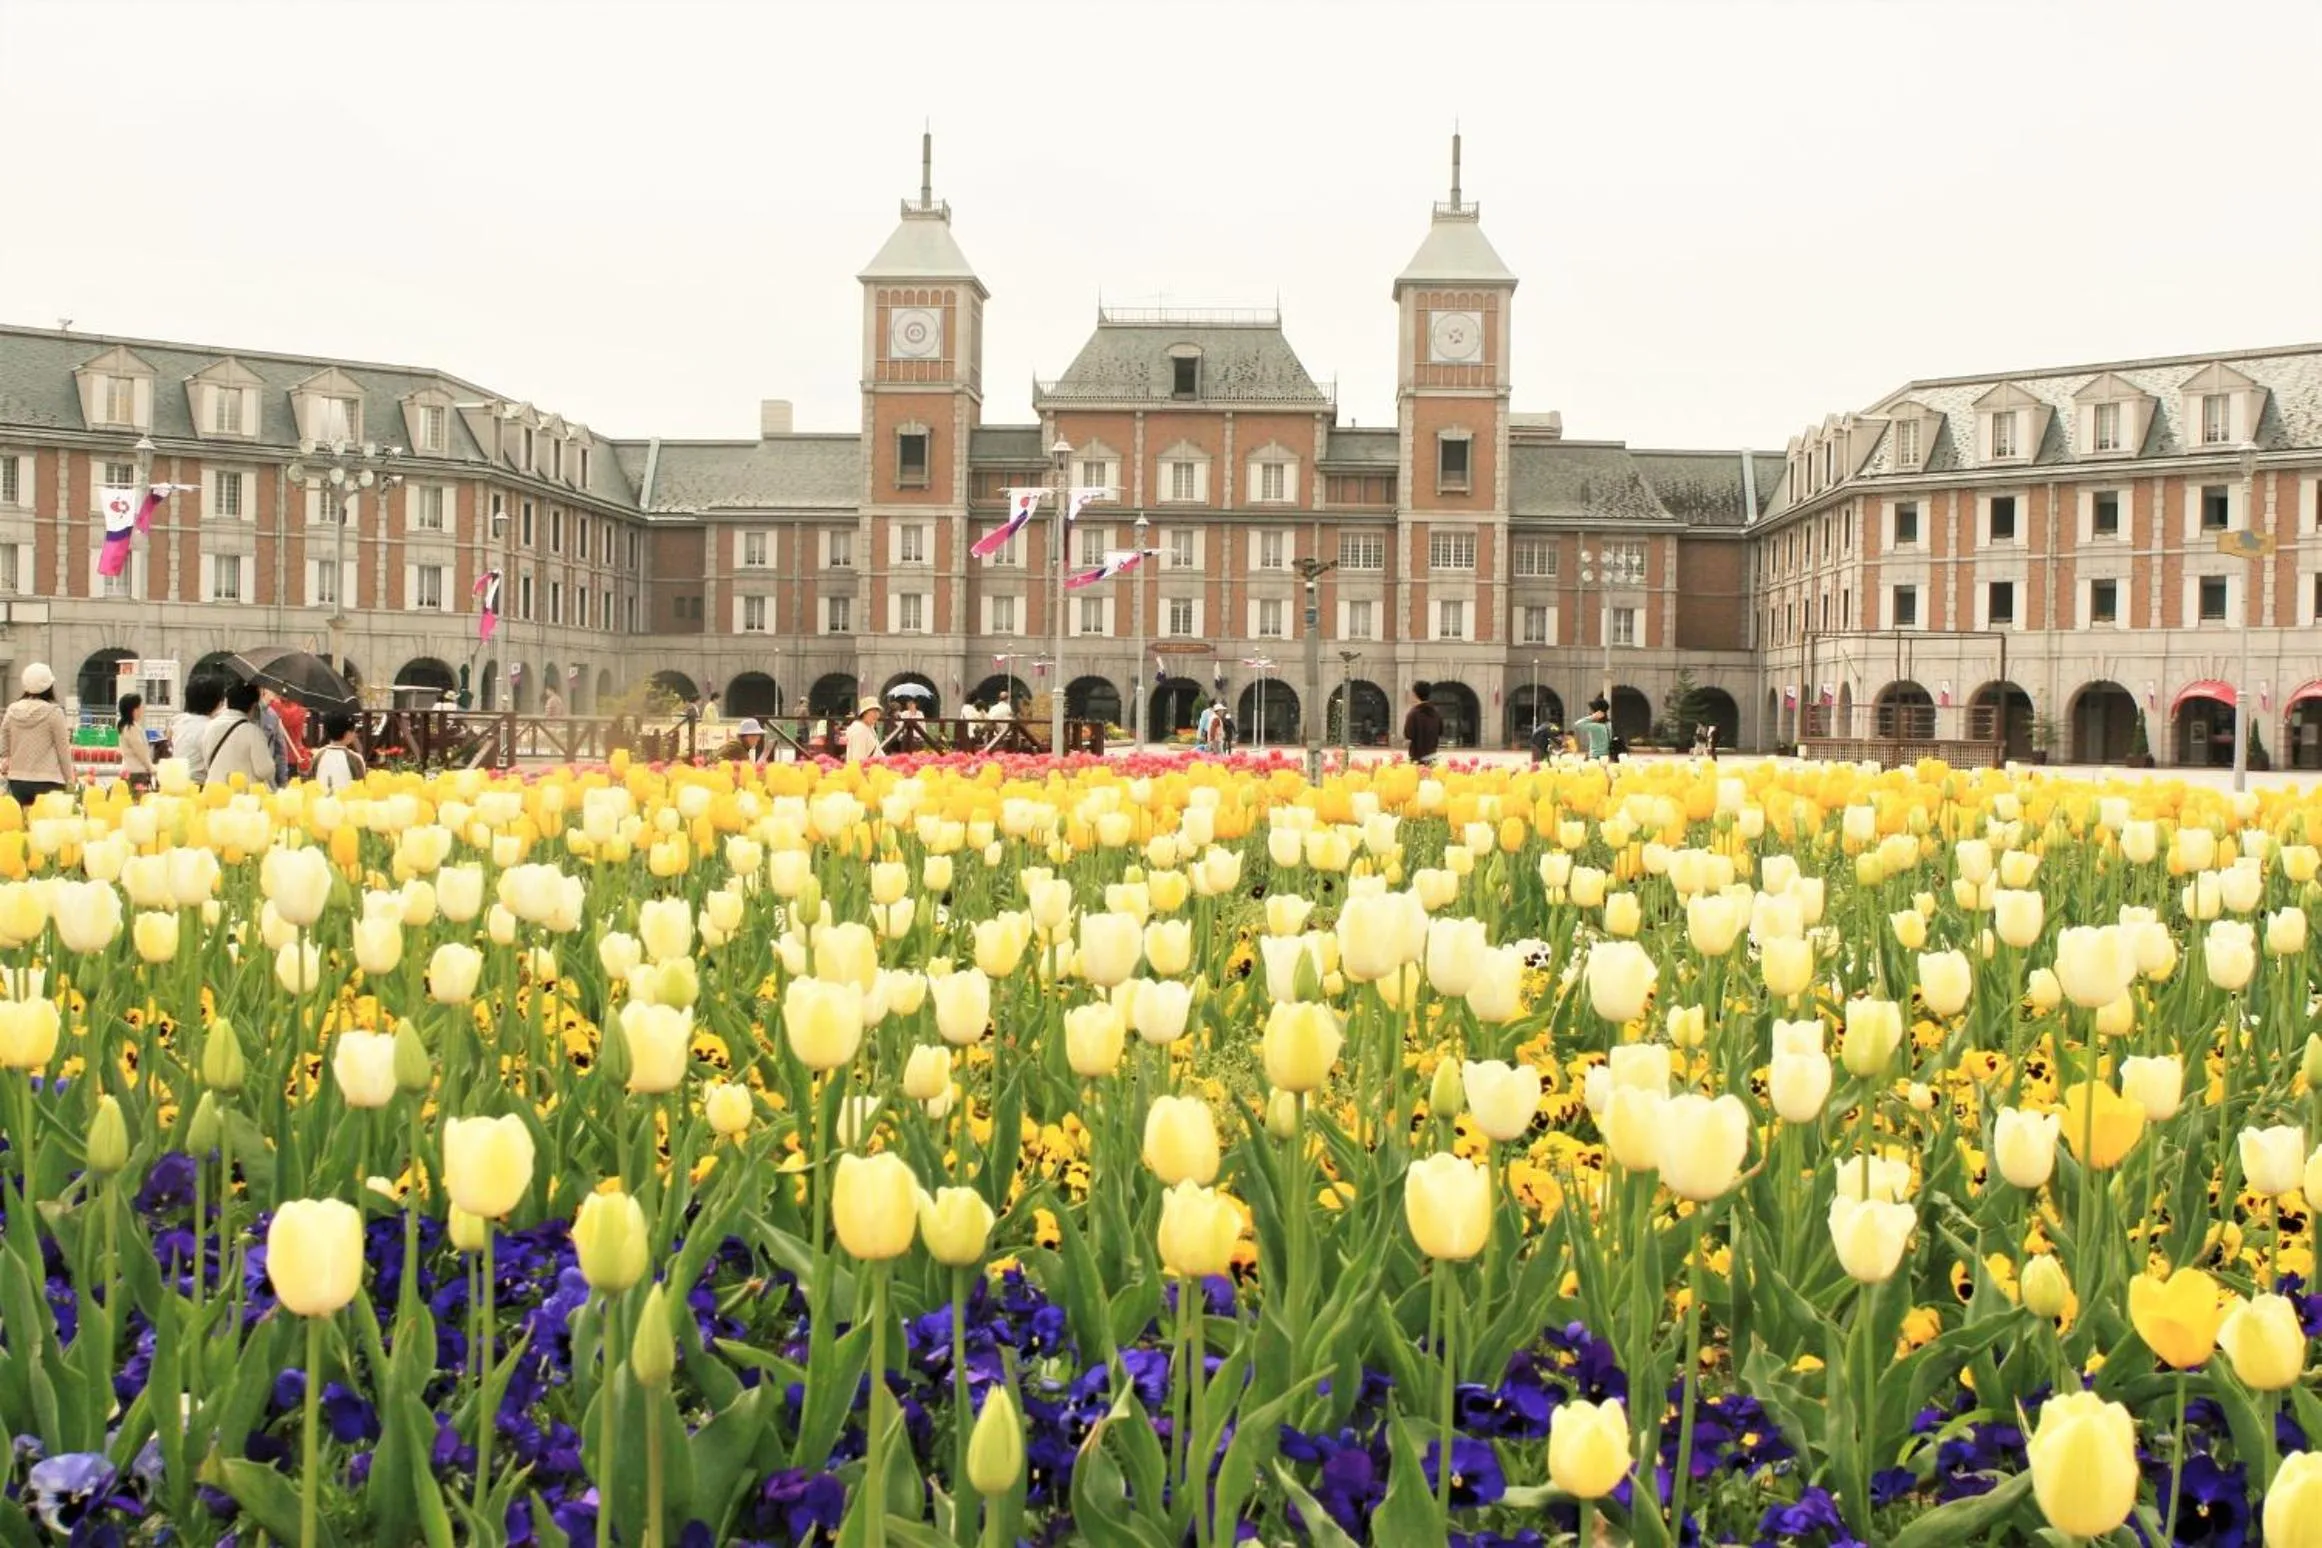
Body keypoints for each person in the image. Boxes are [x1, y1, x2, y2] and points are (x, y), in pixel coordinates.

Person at [0, 663, 75, 805]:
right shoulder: (54, 712)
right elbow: (63, 750)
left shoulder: (12, 710)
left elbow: (3, 740)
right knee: (44, 824)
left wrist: (6, 759)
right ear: (49, 686)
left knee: (21, 824)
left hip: (18, 779)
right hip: (49, 780)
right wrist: (70, 779)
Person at [204, 680, 278, 790]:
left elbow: (207, 763)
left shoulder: (210, 726)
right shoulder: (253, 731)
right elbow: (264, 771)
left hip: (213, 791)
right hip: (241, 798)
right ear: (253, 706)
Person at [173, 675, 226, 783]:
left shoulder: (181, 723)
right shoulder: (210, 728)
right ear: (217, 703)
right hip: (199, 787)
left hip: (179, 783)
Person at [313, 712, 368, 793]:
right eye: (354, 731)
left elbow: (310, 780)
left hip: (320, 803)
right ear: (347, 733)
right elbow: (360, 787)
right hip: (346, 803)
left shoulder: (318, 754)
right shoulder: (355, 758)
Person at [116, 693, 157, 792]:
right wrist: (151, 768)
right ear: (132, 710)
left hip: (132, 770)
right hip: (136, 773)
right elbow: (140, 752)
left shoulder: (129, 727)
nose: (141, 710)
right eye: (139, 707)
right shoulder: (131, 729)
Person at [266, 690, 311, 778]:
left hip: (283, 757)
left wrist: (271, 700)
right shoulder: (300, 708)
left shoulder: (274, 706)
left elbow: (286, 719)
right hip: (290, 757)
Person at [1403, 681, 1443, 766]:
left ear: (1415, 694)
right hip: (1432, 756)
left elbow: (1408, 734)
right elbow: (1440, 732)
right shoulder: (1436, 713)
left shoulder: (1413, 713)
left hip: (1417, 757)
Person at [842, 698, 884, 764]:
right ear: (864, 713)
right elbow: (858, 759)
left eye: (878, 712)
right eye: (874, 712)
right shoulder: (859, 729)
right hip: (864, 771)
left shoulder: (869, 727)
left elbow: (878, 751)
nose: (877, 715)